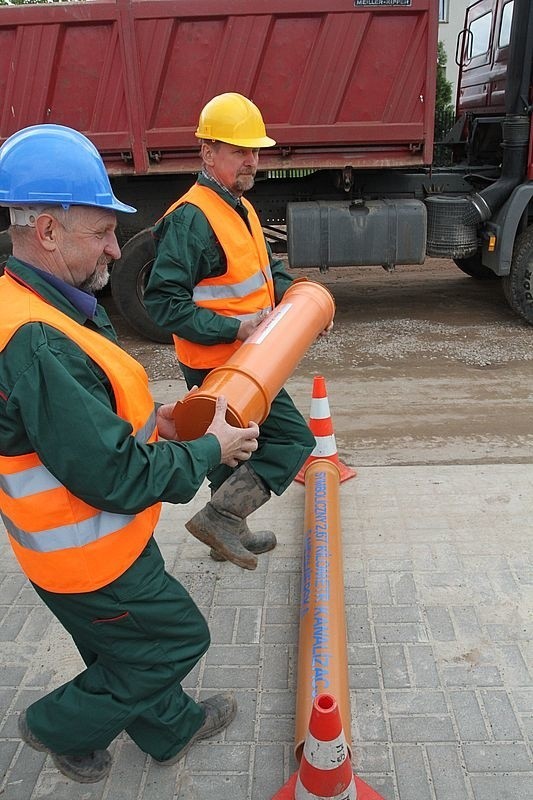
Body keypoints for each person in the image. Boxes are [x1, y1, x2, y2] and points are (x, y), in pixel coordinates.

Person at [0, 124, 260, 784]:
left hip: (75, 549)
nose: (118, 247)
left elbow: (91, 419)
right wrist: (209, 449)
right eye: (101, 231)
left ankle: (168, 730)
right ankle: (58, 725)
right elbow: (114, 473)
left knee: (118, 645)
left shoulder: (37, 301)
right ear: (49, 232)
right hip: (90, 554)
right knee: (174, 639)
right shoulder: (36, 338)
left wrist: (164, 422)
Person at [144, 92, 318, 571]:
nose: (251, 161)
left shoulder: (239, 207)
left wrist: (303, 300)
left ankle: (227, 529)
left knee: (229, 447)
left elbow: (264, 273)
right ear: (207, 152)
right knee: (290, 440)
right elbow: (162, 301)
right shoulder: (192, 218)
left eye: (255, 151)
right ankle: (221, 517)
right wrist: (234, 328)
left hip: (245, 357)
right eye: (239, 150)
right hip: (219, 362)